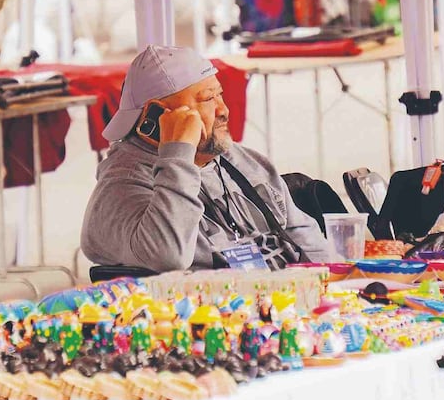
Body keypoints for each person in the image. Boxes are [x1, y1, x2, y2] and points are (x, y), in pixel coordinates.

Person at [81, 45, 334, 272]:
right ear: (157, 115)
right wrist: (178, 151)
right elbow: (168, 257)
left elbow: (304, 236)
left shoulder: (241, 160)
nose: (223, 110)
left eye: (220, 95)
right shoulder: (121, 186)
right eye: (208, 99)